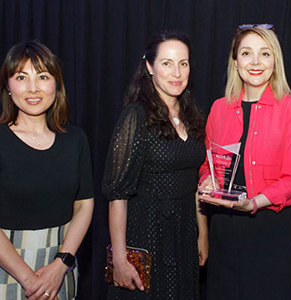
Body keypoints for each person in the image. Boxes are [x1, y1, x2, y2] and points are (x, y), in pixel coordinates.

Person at [198, 24, 291, 299]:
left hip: (272, 231)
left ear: (275, 61)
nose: (256, 62)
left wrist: (255, 202)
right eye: (247, 53)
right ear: (235, 62)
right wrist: (207, 179)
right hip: (225, 230)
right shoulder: (219, 108)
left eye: (265, 53)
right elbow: (208, 163)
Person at [102, 31, 207, 300]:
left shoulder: (192, 115)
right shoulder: (136, 116)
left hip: (184, 236)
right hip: (146, 235)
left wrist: (202, 234)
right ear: (149, 67)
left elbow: (196, 182)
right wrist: (120, 259)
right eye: (167, 63)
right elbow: (117, 195)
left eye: (183, 63)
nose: (177, 72)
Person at [0, 41, 94, 300]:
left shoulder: (75, 139)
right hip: (6, 267)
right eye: (21, 77)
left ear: (56, 84)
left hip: (60, 267)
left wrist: (61, 263)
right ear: (8, 86)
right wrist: (30, 279)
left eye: (43, 77)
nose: (33, 88)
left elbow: (84, 205)